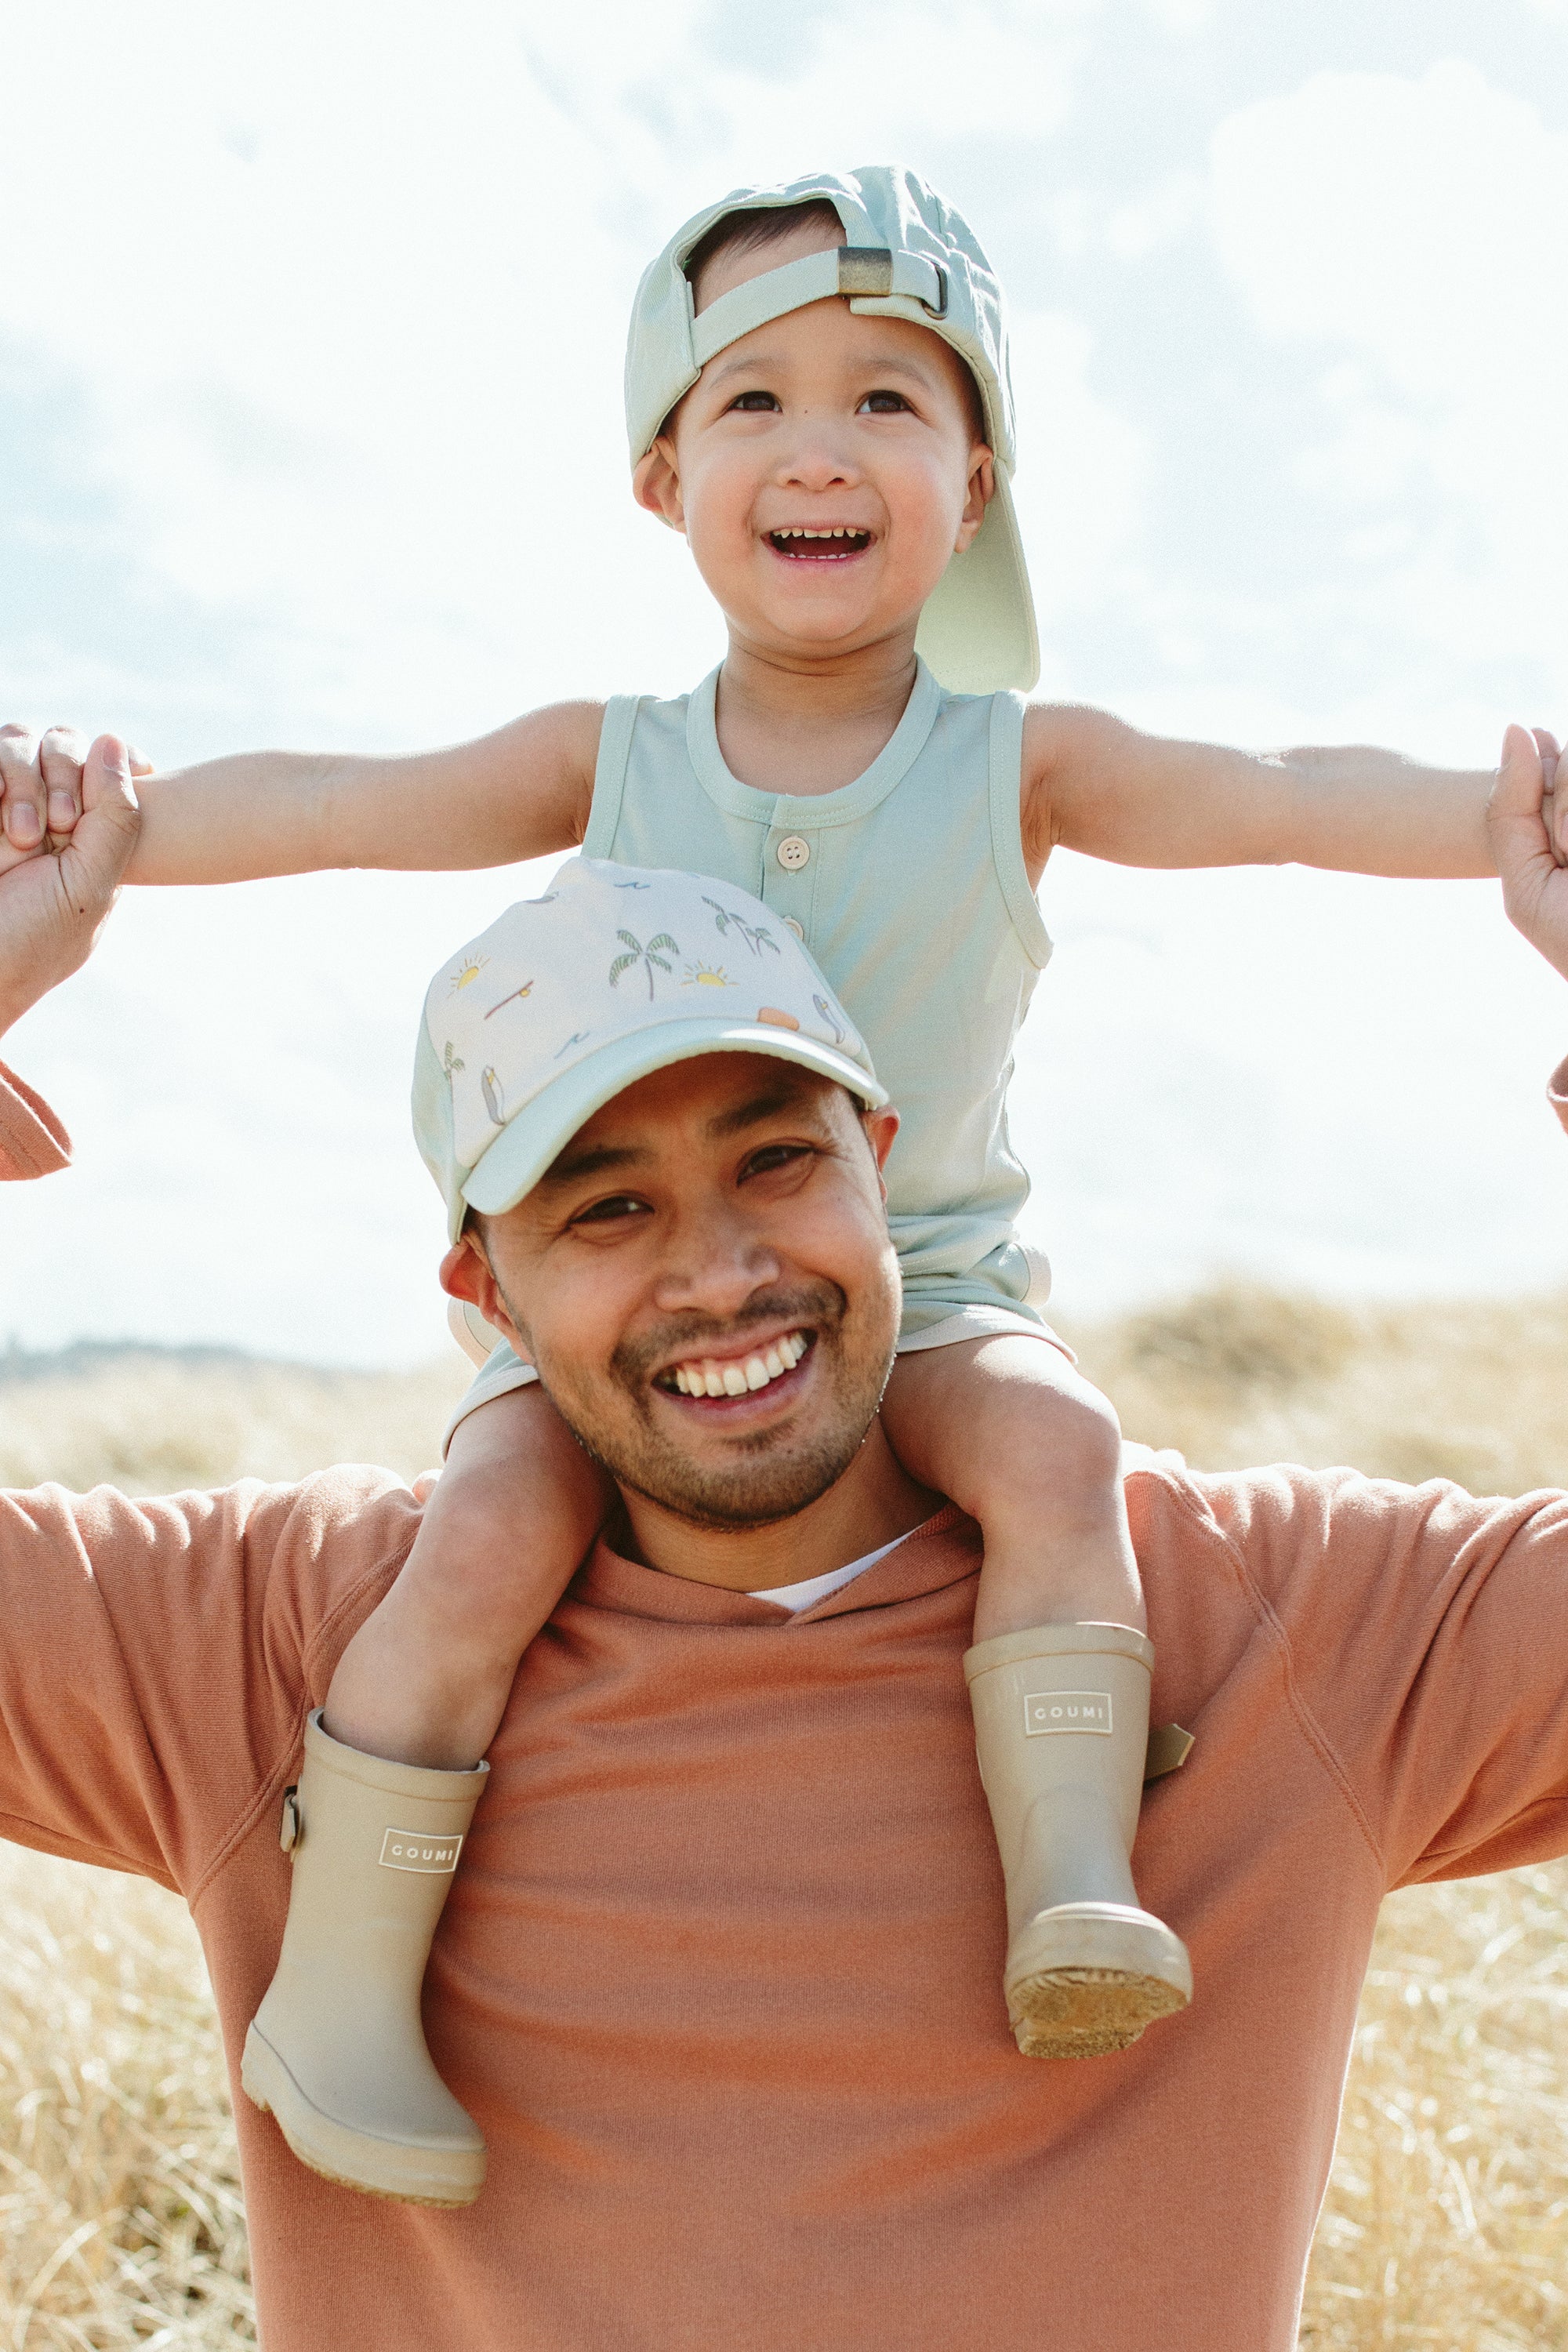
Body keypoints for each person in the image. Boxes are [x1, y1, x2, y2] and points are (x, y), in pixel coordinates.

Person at [3, 164, 1558, 2197]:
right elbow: (329, 806)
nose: (822, 445)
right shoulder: (611, 750)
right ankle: (345, 1992)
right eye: (754, 401)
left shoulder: (1021, 759)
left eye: (891, 401)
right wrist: (88, 834)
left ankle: (1074, 1871)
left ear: (976, 484)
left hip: (946, 1285)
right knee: (474, 1543)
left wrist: (1510, 820)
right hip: (614, 1360)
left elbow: (1279, 797)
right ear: (662, 479)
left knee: (1054, 1455)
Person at [2, 725, 1567, 2350]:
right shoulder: (277, 1647)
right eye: (606, 1207)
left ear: (879, 1168)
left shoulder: (1275, 1623)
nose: (723, 1271)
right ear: (486, 1291)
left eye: (776, 1159)